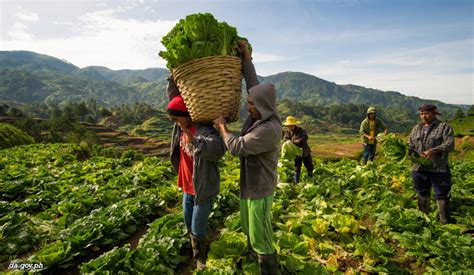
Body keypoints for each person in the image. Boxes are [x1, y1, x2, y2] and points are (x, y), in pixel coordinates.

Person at [213, 40, 280, 275]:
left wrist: (222, 128)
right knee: (250, 230)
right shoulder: (262, 111)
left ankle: (268, 268)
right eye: (249, 102)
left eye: (251, 104)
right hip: (249, 185)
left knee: (262, 236)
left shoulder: (269, 130)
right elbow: (253, 84)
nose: (247, 106)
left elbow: (237, 146)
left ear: (260, 105)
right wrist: (246, 58)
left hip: (260, 190)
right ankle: (255, 260)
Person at [166, 89, 226, 269]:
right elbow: (173, 98)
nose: (176, 123)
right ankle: (194, 247)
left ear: (187, 114)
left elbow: (218, 149)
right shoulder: (179, 127)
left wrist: (195, 141)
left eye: (178, 118)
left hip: (203, 186)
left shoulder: (205, 130)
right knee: (187, 220)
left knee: (198, 224)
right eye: (174, 120)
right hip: (187, 185)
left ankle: (200, 254)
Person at [408, 104, 454, 224]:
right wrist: (406, 152)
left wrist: (432, 151)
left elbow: (449, 144)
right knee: (422, 192)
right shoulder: (416, 128)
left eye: (427, 113)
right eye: (422, 114)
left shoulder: (444, 127)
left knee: (442, 194)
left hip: (438, 167)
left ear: (434, 113)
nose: (424, 116)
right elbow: (410, 144)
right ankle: (424, 218)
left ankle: (444, 221)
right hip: (419, 167)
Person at [283, 116, 313, 183]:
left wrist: (299, 140)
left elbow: (305, 137)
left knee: (309, 166)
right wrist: (291, 141)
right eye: (288, 126)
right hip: (296, 153)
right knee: (297, 167)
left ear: (294, 124)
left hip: (305, 152)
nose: (289, 127)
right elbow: (285, 139)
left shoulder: (301, 130)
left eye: (291, 125)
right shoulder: (288, 132)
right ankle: (296, 182)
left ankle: (310, 179)